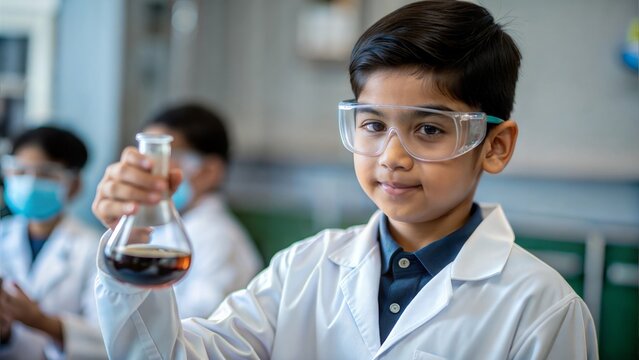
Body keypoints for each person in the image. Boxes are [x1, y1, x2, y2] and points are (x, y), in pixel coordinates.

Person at [91, 1, 598, 359]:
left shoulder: (541, 309)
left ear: (496, 146)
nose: (391, 157)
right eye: (373, 125)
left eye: (428, 129)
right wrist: (132, 240)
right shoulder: (302, 270)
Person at [135, 103, 262, 318]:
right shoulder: (163, 226)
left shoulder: (218, 238)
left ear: (210, 171)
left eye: (164, 157)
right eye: (147, 156)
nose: (150, 170)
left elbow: (194, 327)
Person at [0, 126, 107, 359]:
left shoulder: (95, 249)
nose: (29, 183)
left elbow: (106, 340)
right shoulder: (2, 235)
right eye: (20, 172)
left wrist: (40, 321)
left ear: (74, 184)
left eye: (45, 174)